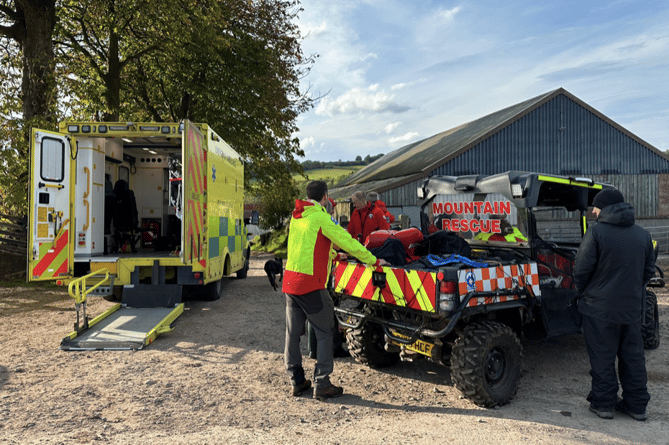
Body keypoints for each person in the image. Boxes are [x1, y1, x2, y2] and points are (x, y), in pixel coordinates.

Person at [283, 181, 388, 401]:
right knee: (325, 331)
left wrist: (332, 256)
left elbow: (305, 246)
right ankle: (322, 384)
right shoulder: (321, 217)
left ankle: (297, 381)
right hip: (311, 284)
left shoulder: (297, 216)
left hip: (291, 282)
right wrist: (373, 261)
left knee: (292, 334)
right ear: (325, 196)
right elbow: (346, 241)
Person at [573, 189, 655, 421]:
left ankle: (604, 404)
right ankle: (637, 406)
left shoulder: (596, 232)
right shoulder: (643, 234)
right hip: (631, 309)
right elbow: (648, 272)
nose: (593, 211)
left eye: (596, 207)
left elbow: (581, 270)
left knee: (602, 357)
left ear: (606, 207)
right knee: (633, 357)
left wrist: (585, 293)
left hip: (598, 309)